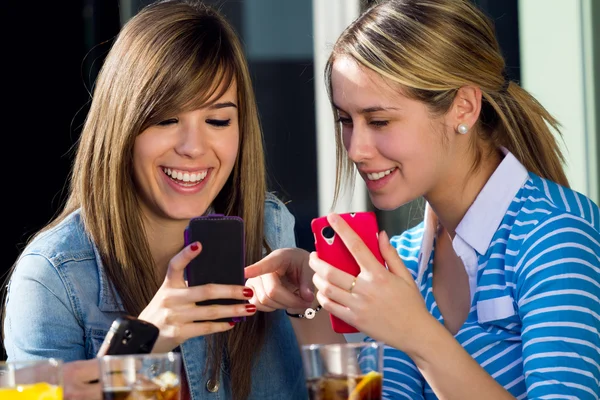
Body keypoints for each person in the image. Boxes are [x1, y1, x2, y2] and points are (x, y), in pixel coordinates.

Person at [245, 0, 600, 398]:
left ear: (462, 107)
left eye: (379, 121)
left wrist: (414, 330)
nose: (356, 148)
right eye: (346, 120)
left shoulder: (556, 234)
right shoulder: (406, 256)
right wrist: (311, 302)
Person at [2, 1, 325, 399]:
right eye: (166, 119)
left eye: (218, 120)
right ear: (123, 125)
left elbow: (337, 383)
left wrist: (309, 302)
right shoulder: (53, 277)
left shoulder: (269, 225)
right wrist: (144, 340)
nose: (193, 147)